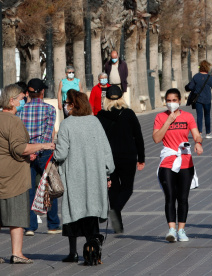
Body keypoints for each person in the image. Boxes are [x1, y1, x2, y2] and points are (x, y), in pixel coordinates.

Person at [54, 90, 115, 263]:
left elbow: (60, 154)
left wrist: (54, 149)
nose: (65, 105)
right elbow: (106, 150)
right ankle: (93, 248)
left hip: (73, 177)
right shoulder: (95, 121)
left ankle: (73, 252)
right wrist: (108, 172)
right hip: (94, 176)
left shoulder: (66, 124)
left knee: (73, 212)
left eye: (67, 102)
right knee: (91, 212)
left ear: (73, 105)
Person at [0, 84, 56, 264]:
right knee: (16, 217)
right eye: (21, 99)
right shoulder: (14, 121)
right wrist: (43, 146)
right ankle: (17, 253)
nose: (24, 101)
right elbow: (19, 148)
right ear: (12, 100)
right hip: (13, 176)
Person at [153, 88, 203, 242]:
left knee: (183, 197)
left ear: (179, 101)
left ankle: (181, 230)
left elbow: (196, 134)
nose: (171, 103)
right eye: (168, 100)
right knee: (170, 196)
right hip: (168, 159)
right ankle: (171, 230)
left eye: (174, 100)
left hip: (185, 160)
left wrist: (198, 143)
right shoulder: (160, 117)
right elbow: (156, 138)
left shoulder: (187, 116)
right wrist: (168, 121)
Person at [96, 85, 145, 233]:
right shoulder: (129, 113)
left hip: (108, 157)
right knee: (127, 188)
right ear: (122, 98)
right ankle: (115, 210)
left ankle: (118, 225)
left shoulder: (100, 115)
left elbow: (97, 139)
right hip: (128, 156)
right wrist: (141, 157)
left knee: (114, 189)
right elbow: (138, 136)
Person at [19, 78, 61, 236]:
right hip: (45, 152)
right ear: (42, 92)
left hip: (26, 152)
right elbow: (48, 134)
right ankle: (53, 224)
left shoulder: (21, 110)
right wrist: (37, 151)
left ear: (28, 93)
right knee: (50, 187)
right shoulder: (50, 109)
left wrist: (30, 151)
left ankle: (30, 226)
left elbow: (20, 134)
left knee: (28, 189)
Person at [186, 60, 212, 138]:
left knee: (199, 116)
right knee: (207, 115)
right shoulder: (209, 78)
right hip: (207, 99)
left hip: (198, 99)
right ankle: (208, 133)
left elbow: (190, 87)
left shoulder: (196, 76)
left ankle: (199, 132)